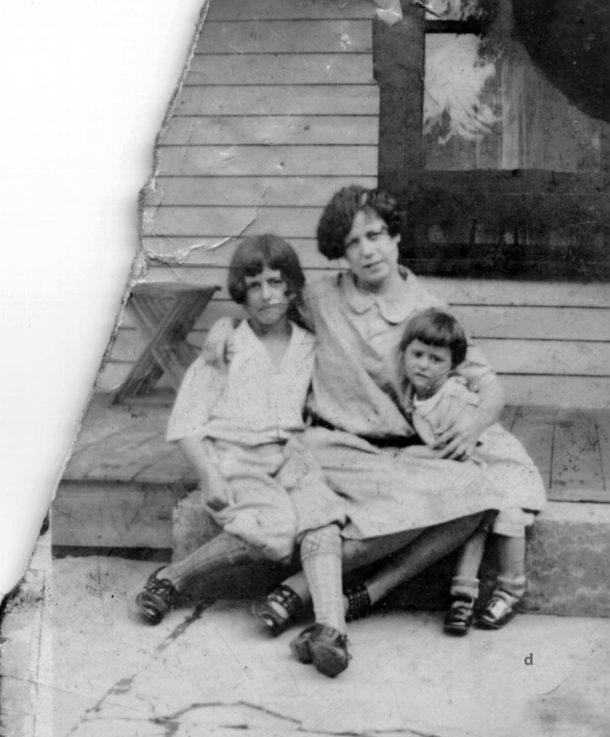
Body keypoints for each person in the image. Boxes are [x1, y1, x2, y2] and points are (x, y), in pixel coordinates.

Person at [248, 186, 507, 641]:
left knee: (480, 494)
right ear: (340, 253)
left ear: (396, 238)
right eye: (352, 243)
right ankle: (318, 596)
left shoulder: (427, 310)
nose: (368, 251)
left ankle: (344, 591)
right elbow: (264, 319)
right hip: (331, 448)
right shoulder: (319, 299)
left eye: (376, 235)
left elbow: (491, 387)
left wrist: (472, 425)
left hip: (398, 458)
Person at [135, 234, 350, 677]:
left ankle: (331, 631)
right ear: (242, 292)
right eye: (255, 285)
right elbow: (187, 423)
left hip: (291, 455)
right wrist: (211, 476)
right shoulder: (227, 347)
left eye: (277, 282)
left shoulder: (309, 345)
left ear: (292, 287)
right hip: (235, 458)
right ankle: (172, 578)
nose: (268, 295)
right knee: (273, 536)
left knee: (322, 520)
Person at [397, 308, 546, 634]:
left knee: (506, 513)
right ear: (404, 352)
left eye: (435, 359)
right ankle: (462, 598)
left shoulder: (453, 398)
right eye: (417, 354)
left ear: (452, 367)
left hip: (502, 465)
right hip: (474, 469)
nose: (423, 364)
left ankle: (510, 590)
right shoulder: (414, 393)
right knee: (475, 510)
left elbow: (449, 449)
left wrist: (406, 454)